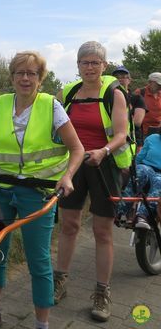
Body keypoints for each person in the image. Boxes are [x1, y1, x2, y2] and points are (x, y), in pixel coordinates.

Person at [0, 51, 84, 329]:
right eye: (19, 72)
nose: (25, 78)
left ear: (40, 78)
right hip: (1, 190)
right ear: (11, 77)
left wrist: (67, 176)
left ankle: (41, 324)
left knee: (38, 260)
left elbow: (77, 149)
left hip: (39, 192)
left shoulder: (51, 106)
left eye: (31, 73)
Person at [54, 41, 131, 322]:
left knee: (102, 231)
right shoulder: (68, 93)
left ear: (104, 65)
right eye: (84, 63)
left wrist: (104, 151)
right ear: (77, 66)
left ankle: (102, 292)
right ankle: (59, 281)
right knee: (69, 225)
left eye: (95, 63)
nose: (89, 67)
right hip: (74, 166)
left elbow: (122, 133)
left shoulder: (114, 94)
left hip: (104, 166)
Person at [118, 129, 161, 230]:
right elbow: (139, 157)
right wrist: (131, 168)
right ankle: (120, 210)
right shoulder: (152, 138)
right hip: (147, 167)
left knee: (159, 182)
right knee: (140, 172)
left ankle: (143, 216)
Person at [112, 66, 146, 149]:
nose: (120, 80)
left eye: (123, 77)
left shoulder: (137, 98)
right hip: (110, 139)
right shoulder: (108, 98)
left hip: (134, 141)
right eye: (116, 77)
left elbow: (137, 122)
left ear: (129, 80)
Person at [136, 72, 161, 137]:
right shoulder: (140, 93)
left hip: (158, 131)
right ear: (150, 82)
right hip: (142, 132)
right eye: (158, 84)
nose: (160, 87)